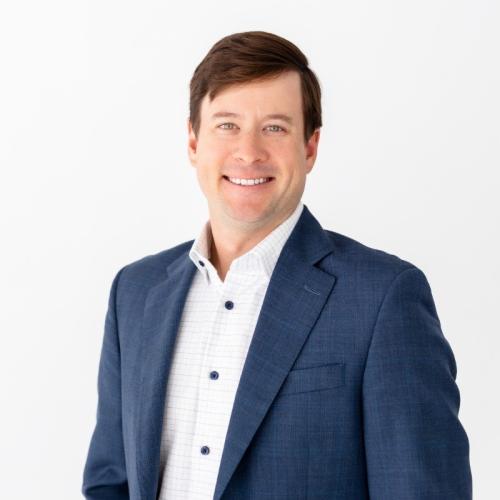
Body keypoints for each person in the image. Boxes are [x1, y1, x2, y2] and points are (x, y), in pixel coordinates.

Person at [82, 31, 472, 500]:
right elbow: (110, 482)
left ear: (310, 148)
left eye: (275, 128)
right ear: (193, 141)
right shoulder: (136, 292)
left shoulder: (382, 299)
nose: (249, 152)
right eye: (227, 125)